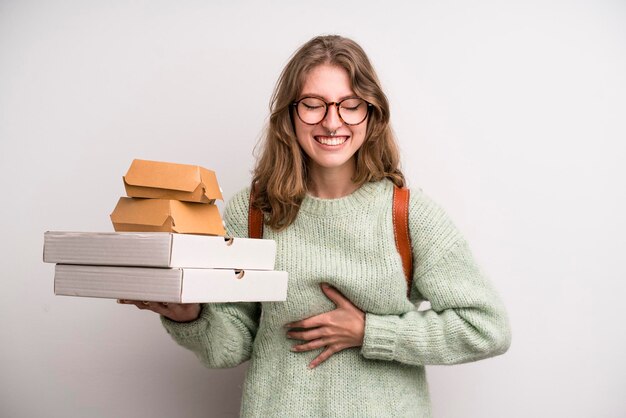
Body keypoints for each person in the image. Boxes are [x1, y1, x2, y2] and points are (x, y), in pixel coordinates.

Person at [119, 34, 511, 417]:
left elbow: (486, 328)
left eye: (349, 104)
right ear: (290, 113)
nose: (332, 121)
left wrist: (370, 332)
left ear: (371, 113)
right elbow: (230, 347)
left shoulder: (408, 215)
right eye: (313, 104)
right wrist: (189, 315)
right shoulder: (253, 211)